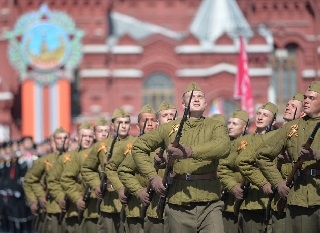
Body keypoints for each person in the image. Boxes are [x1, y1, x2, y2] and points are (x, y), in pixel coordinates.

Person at [132, 82, 230, 233]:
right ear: (183, 104)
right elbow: (138, 147)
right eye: (191, 97)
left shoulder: (215, 125)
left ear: (205, 103)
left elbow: (224, 146)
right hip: (178, 202)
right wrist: (153, 177)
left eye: (200, 97)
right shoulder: (168, 128)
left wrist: (189, 152)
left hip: (210, 201)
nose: (196, 99)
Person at [256, 81, 320, 233]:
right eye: (305, 97)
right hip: (301, 199)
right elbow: (262, 155)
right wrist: (278, 183)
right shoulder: (292, 127)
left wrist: (316, 154)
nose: (306, 101)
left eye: (311, 98)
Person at [81, 107, 135, 233]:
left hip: (131, 199)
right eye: (119, 123)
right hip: (108, 201)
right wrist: (96, 185)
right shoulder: (101, 145)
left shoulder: (137, 143)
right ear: (112, 125)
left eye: (126, 123)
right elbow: (87, 168)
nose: (123, 126)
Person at [60, 117, 110, 233]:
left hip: (112, 209)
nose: (87, 139)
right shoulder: (80, 156)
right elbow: (66, 179)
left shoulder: (113, 151)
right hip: (91, 210)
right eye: (84, 136)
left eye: (106, 131)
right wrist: (77, 197)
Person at [234, 102, 278, 233]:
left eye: (265, 115)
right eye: (258, 113)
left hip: (274, 200)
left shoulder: (278, 139)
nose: (260, 117)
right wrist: (233, 185)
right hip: (251, 200)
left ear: (274, 120)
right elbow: (225, 166)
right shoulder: (243, 141)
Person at [116, 104, 158, 233]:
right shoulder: (131, 147)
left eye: (153, 120)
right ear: (138, 126)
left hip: (158, 209)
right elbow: (116, 169)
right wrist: (121, 187)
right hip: (136, 206)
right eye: (145, 121)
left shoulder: (164, 147)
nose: (149, 124)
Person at [47, 122, 94, 233]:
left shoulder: (98, 155)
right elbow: (53, 181)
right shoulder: (66, 158)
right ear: (77, 137)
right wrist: (60, 197)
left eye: (90, 136)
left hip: (94, 212)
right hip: (73, 210)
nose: (87, 139)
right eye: (83, 136)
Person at [23, 127, 69, 233]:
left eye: (65, 138)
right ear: (53, 141)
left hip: (72, 207)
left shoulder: (74, 158)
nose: (63, 140)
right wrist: (35, 199)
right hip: (51, 207)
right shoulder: (44, 160)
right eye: (59, 138)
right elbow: (28, 181)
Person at [218, 109, 249, 233]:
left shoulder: (250, 143)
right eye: (229, 123)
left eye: (234, 124)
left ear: (244, 127)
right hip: (226, 202)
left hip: (246, 199)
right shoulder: (223, 145)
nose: (230, 126)